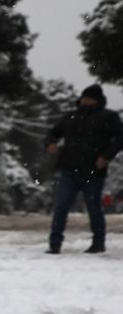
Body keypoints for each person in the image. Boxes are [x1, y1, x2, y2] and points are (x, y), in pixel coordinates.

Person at [44, 84, 123, 254]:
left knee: (94, 208)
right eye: (84, 98)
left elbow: (120, 139)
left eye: (89, 99)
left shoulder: (108, 117)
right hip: (69, 169)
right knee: (61, 206)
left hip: (94, 170)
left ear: (97, 100)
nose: (85, 101)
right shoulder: (71, 117)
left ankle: (98, 242)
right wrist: (50, 143)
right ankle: (55, 243)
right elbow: (54, 132)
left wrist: (107, 156)